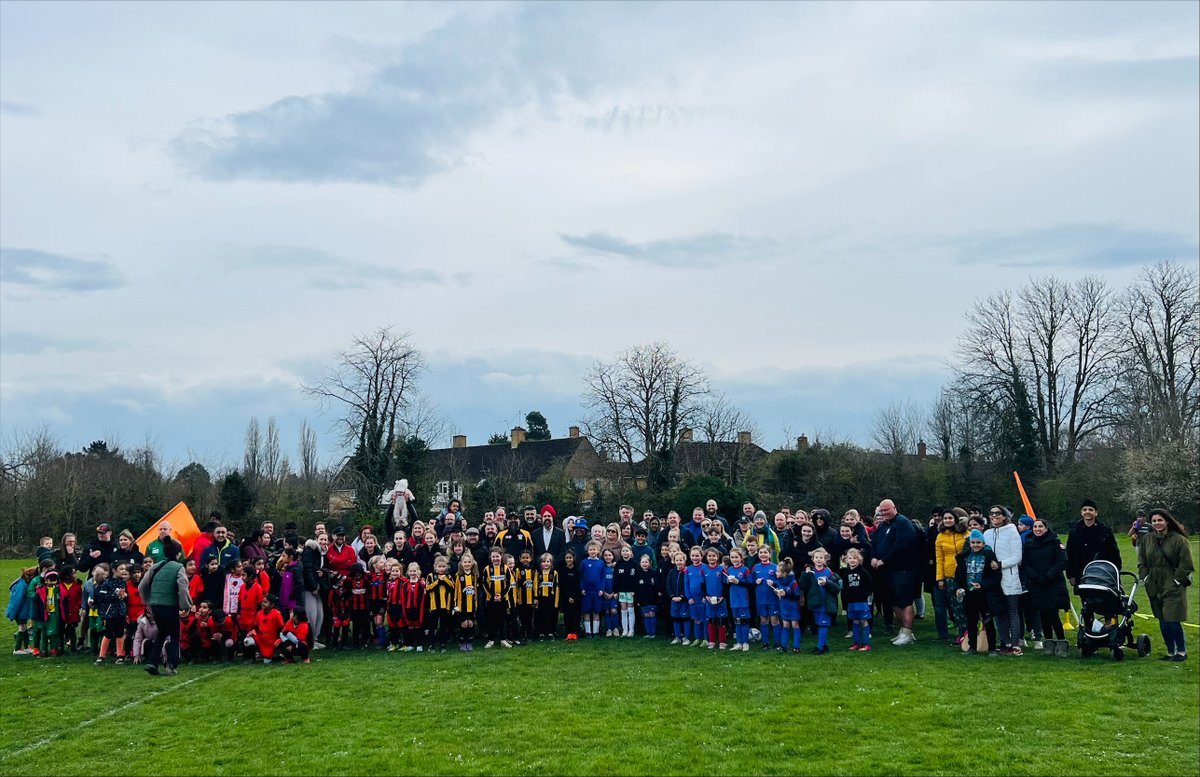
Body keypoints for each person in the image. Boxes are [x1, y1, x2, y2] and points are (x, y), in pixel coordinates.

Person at [1137, 508, 1194, 662]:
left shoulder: (1179, 540)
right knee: (1162, 618)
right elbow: (1142, 561)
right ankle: (1170, 651)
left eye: (1160, 520)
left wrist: (1176, 580)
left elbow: (1187, 563)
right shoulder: (1147, 539)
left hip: (1172, 582)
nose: (1157, 523)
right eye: (1154, 521)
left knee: (1172, 618)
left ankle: (1181, 651)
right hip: (1154, 583)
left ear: (1167, 521)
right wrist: (1146, 577)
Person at [870, 499, 922, 646]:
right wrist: (873, 557)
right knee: (894, 602)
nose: (884, 513)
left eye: (886, 510)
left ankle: (908, 632)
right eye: (881, 511)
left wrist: (884, 560)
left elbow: (902, 545)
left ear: (894, 508)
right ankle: (903, 631)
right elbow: (874, 543)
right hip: (887, 572)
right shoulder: (882, 526)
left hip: (903, 570)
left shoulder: (902, 523)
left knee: (905, 601)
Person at [140, 539, 192, 676]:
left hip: (156, 605)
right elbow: (183, 587)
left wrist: (148, 601)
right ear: (178, 553)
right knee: (175, 636)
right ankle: (171, 665)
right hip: (170, 605)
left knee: (161, 634)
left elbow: (142, 585)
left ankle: (152, 662)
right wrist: (186, 605)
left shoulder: (155, 566)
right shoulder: (179, 567)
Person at [1019, 518, 1070, 655]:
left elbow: (1062, 562)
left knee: (1053, 614)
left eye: (1040, 526)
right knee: (1042, 614)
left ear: (1046, 528)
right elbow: (1026, 564)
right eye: (1035, 527)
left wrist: (1048, 576)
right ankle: (1049, 644)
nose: (1037, 529)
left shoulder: (1055, 542)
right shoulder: (1029, 545)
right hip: (1037, 583)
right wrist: (1035, 577)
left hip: (1053, 583)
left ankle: (1062, 643)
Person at [983, 506, 1025, 656]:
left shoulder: (1012, 532)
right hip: (993, 580)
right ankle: (1005, 642)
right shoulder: (987, 533)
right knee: (999, 612)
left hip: (1009, 577)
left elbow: (1017, 556)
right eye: (991, 513)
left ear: (1004, 516)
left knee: (1012, 611)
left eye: (998, 514)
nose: (994, 516)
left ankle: (1015, 643)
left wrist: (1000, 564)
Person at [955, 529, 1001, 656]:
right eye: (973, 542)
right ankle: (972, 647)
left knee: (988, 620)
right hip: (969, 594)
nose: (975, 545)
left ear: (983, 543)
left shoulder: (989, 556)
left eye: (978, 542)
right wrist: (959, 588)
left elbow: (996, 576)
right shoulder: (964, 557)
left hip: (985, 594)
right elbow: (958, 575)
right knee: (971, 620)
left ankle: (992, 647)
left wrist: (983, 585)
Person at [1065, 499, 1122, 586]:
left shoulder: (1105, 531)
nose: (1087, 512)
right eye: (1085, 510)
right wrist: (1071, 575)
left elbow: (1114, 553)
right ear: (1081, 512)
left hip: (1102, 574)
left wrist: (1115, 571)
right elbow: (1070, 554)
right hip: (1081, 574)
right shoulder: (1074, 532)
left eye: (1090, 509)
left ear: (1096, 513)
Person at [798, 548, 842, 655]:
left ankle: (820, 647)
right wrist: (805, 574)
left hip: (825, 603)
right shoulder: (811, 573)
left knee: (823, 624)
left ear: (825, 560)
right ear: (812, 559)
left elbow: (837, 588)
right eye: (816, 557)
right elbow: (802, 585)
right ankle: (824, 645)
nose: (818, 559)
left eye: (821, 558)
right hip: (815, 603)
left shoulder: (829, 573)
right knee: (818, 624)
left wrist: (827, 582)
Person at [934, 510, 968, 644]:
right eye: (945, 518)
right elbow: (939, 558)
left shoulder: (966, 534)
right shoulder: (940, 536)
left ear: (955, 519)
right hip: (950, 575)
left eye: (950, 518)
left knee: (966, 605)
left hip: (965, 574)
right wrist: (940, 578)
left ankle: (972, 631)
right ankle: (962, 633)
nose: (948, 520)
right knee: (956, 606)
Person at [841, 548, 874, 652]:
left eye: (855, 558)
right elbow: (844, 587)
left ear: (859, 559)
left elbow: (870, 586)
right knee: (855, 621)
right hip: (851, 602)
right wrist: (845, 601)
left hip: (862, 602)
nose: (852, 560)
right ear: (846, 560)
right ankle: (856, 643)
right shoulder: (846, 572)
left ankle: (866, 644)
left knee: (863, 621)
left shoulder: (863, 572)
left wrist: (865, 595)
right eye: (850, 558)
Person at [724, 547, 753, 651]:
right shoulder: (729, 570)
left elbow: (750, 584)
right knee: (737, 621)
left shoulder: (745, 570)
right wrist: (727, 581)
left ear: (741, 558)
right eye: (732, 557)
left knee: (744, 621)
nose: (734, 559)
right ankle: (739, 643)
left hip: (743, 600)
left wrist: (738, 582)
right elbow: (725, 583)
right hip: (733, 600)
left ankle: (745, 643)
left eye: (736, 557)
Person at [753, 545, 781, 651]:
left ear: (769, 554)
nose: (763, 555)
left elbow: (780, 581)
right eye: (761, 553)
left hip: (772, 599)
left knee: (774, 620)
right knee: (763, 620)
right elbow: (751, 580)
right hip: (760, 599)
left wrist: (774, 582)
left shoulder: (775, 567)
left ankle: (777, 643)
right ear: (758, 554)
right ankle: (765, 643)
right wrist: (755, 582)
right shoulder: (756, 567)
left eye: (765, 552)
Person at [425, 556, 455, 652]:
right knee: (432, 626)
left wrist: (444, 579)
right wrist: (438, 581)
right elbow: (428, 588)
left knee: (443, 626)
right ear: (435, 567)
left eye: (443, 566)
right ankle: (431, 644)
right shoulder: (430, 576)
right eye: (439, 566)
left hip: (445, 606)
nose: (441, 569)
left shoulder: (449, 576)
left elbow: (452, 587)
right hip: (433, 606)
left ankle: (443, 644)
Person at [452, 552, 480, 651]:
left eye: (469, 562)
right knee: (464, 623)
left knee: (470, 623)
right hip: (462, 604)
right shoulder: (459, 576)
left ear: (472, 563)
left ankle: (469, 641)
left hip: (471, 604)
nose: (467, 564)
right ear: (461, 563)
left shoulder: (474, 576)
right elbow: (456, 591)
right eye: (465, 562)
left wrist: (476, 603)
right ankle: (462, 641)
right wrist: (455, 605)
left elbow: (476, 591)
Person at [580, 541, 606, 639]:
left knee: (596, 612)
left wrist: (601, 589)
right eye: (590, 550)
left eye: (594, 549)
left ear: (598, 551)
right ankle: (588, 632)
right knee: (586, 612)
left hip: (597, 592)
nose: (592, 551)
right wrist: (581, 588)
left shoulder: (601, 563)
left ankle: (595, 632)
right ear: (588, 551)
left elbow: (603, 577)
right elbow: (581, 576)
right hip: (586, 591)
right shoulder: (584, 562)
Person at [558, 549, 581, 640]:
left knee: (576, 615)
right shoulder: (562, 570)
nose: (568, 559)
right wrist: (568, 597)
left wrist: (574, 596)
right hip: (565, 597)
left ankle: (575, 633)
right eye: (567, 558)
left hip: (576, 596)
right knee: (567, 615)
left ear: (573, 558)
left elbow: (578, 584)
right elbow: (562, 585)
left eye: (570, 558)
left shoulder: (577, 570)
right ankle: (568, 633)